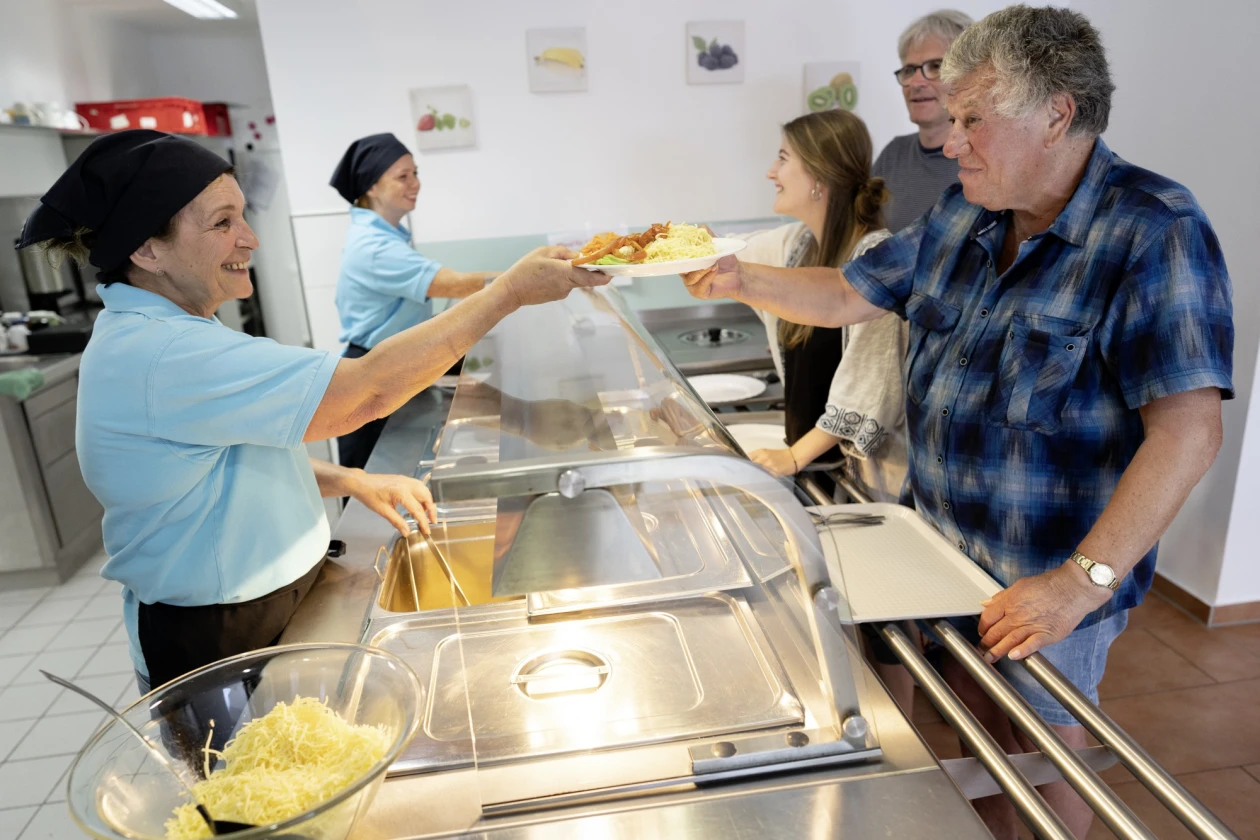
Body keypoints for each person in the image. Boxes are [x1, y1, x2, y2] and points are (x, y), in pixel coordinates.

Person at [682, 7, 1233, 837]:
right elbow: (846, 294)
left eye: (975, 120)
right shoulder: (961, 216)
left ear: (1058, 114)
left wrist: (1078, 583)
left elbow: (1188, 431)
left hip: (1046, 570)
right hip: (941, 554)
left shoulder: (1154, 230)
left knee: (1047, 751)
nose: (952, 140)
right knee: (983, 731)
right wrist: (740, 280)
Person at [17, 130, 605, 697]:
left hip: (261, 607)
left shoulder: (168, 332)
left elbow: (219, 462)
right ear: (146, 249)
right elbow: (365, 396)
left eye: (242, 215)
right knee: (242, 796)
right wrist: (508, 293)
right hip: (218, 635)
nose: (249, 238)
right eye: (222, 223)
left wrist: (348, 479)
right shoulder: (165, 353)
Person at [734, 109, 908, 505]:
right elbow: (722, 257)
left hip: (862, 486)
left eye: (782, 159)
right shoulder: (797, 244)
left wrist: (794, 457)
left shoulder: (876, 258)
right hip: (811, 474)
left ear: (818, 175)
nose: (770, 172)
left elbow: (870, 387)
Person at [330, 133, 498, 469]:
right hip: (370, 379)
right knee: (369, 490)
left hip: (387, 367)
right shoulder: (374, 247)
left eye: (415, 173)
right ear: (372, 187)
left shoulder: (387, 235)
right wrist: (526, 278)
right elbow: (452, 284)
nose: (415, 183)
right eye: (402, 176)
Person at [874, 10, 972, 232]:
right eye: (909, 70)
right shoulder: (893, 155)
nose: (916, 82)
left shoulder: (984, 160)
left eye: (935, 66)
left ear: (969, 74)